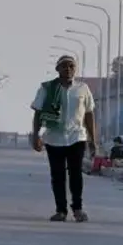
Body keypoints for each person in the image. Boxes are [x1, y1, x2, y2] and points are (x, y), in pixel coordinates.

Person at [31, 55, 97, 223]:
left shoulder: (82, 88)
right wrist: (36, 135)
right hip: (54, 138)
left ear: (75, 69)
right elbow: (38, 112)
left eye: (71, 66)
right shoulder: (47, 88)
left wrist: (92, 139)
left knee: (76, 174)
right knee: (57, 175)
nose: (68, 69)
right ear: (57, 69)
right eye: (64, 66)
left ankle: (78, 209)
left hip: (77, 137)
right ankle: (61, 210)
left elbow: (89, 114)